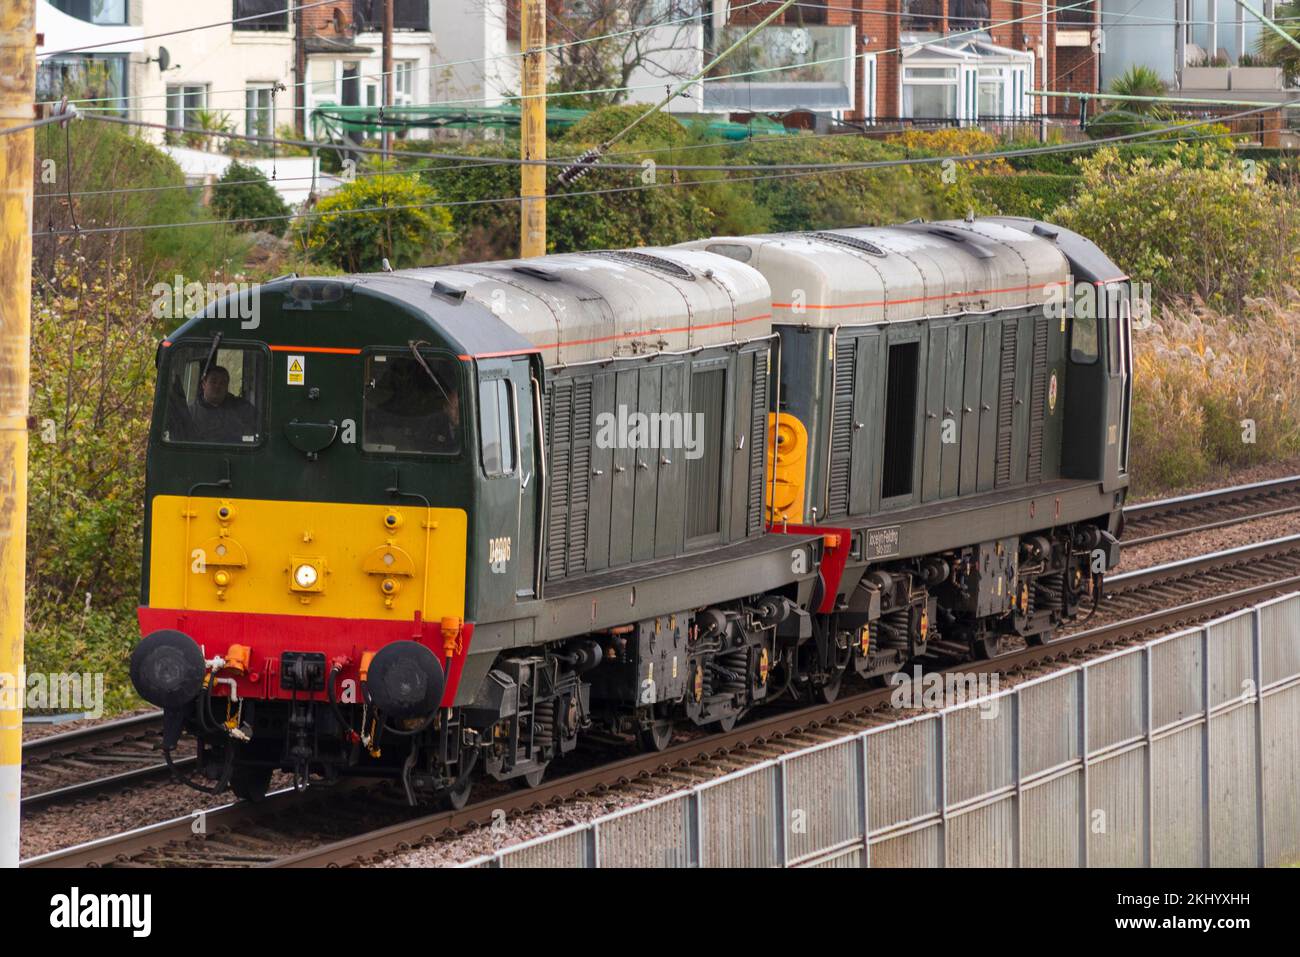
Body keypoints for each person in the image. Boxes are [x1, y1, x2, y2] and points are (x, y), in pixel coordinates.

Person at [187, 365, 257, 443]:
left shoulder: (243, 409)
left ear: (227, 387)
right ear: (204, 384)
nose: (218, 386)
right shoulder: (190, 413)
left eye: (223, 383)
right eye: (213, 382)